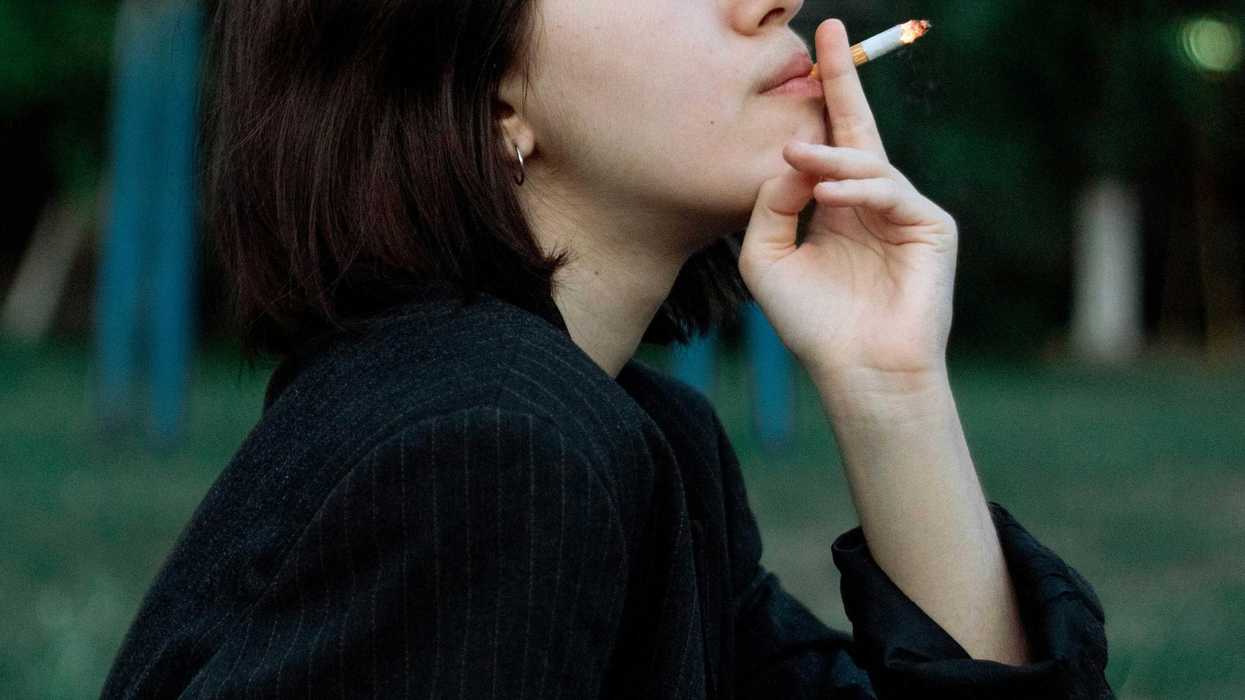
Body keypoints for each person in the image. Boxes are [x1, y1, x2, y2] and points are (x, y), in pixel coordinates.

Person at [102, 0, 1113, 697]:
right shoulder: (484, 451)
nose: (774, 2)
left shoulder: (638, 438)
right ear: (492, 90)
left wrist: (892, 392)